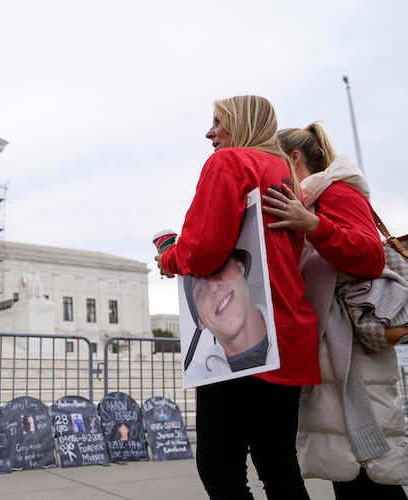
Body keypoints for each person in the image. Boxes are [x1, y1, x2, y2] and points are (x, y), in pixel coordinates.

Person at [156, 95, 320, 499]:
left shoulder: (228, 162)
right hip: (289, 331)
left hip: (243, 345)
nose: (209, 132)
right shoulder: (283, 173)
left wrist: (169, 256)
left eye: (219, 122)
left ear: (243, 124)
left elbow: (206, 249)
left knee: (220, 466)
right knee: (278, 463)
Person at [263, 122, 407, 499]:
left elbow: (370, 255)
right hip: (334, 341)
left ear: (294, 158)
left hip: (353, 344)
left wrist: (314, 226)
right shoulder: (310, 198)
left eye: (274, 159)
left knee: (370, 467)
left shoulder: (336, 192)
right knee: (347, 464)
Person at [183, 248, 270, 379]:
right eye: (200, 289)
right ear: (200, 321)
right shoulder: (196, 377)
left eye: (219, 266)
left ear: (241, 268)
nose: (213, 286)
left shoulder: (293, 330)